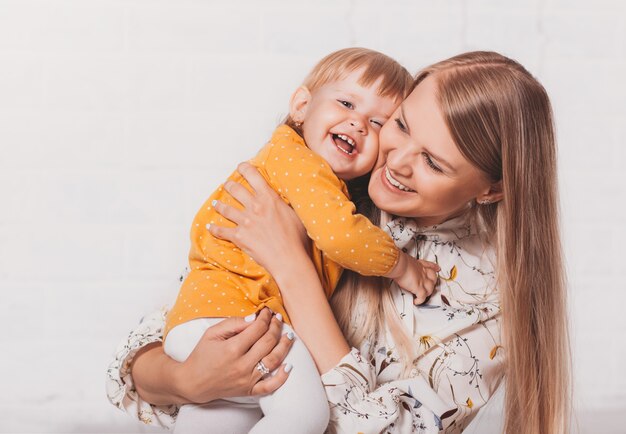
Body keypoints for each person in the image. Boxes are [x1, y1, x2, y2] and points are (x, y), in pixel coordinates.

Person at [107, 51, 570, 434]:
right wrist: (187, 382)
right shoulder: (330, 189)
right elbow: (152, 348)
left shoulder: (487, 299)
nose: (397, 162)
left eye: (433, 161)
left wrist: (292, 265)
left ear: (491, 190)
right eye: (403, 125)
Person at [153, 48, 439, 434]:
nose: (357, 124)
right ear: (302, 106)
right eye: (346, 103)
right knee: (305, 414)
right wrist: (404, 267)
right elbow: (341, 237)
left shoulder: (297, 170)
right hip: (237, 318)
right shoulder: (299, 163)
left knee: (219, 417)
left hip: (201, 321)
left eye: (377, 122)